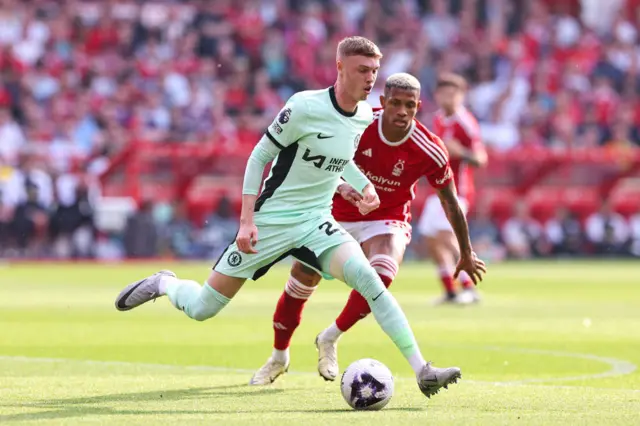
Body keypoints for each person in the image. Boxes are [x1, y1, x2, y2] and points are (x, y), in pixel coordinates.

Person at [114, 36, 482, 400]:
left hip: (316, 222)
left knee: (372, 281)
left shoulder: (363, 117)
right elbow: (258, 158)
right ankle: (166, 284)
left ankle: (423, 370)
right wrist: (247, 220)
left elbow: (340, 157)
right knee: (202, 308)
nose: (370, 78)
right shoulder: (304, 107)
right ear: (340, 67)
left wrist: (362, 186)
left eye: (374, 70)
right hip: (272, 219)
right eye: (362, 70)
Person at [250, 73, 486, 386]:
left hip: (386, 218)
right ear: (383, 102)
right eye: (396, 103)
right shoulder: (355, 126)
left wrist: (467, 252)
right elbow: (315, 164)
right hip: (333, 214)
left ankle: (330, 337)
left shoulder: (430, 148)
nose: (402, 111)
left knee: (382, 272)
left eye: (410, 105)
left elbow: (451, 202)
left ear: (418, 107)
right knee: (300, 284)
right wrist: (343, 187)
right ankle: (279, 357)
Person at [417, 73, 488, 304]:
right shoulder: (438, 119)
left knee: (447, 236)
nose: (449, 97)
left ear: (461, 96)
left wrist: (462, 153)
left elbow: (480, 158)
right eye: (444, 92)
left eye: (454, 93)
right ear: (437, 95)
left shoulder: (465, 122)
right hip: (436, 190)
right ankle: (450, 290)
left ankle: (469, 287)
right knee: (429, 237)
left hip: (458, 190)